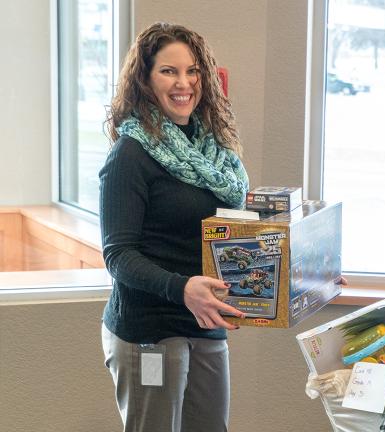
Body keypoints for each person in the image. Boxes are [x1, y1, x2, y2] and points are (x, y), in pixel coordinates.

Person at [99, 22, 249, 432]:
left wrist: (306, 275)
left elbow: (231, 235)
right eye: (169, 71)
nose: (184, 83)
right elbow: (118, 256)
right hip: (150, 327)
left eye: (193, 71)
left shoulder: (212, 150)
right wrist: (181, 289)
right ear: (145, 80)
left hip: (204, 322)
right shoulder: (130, 155)